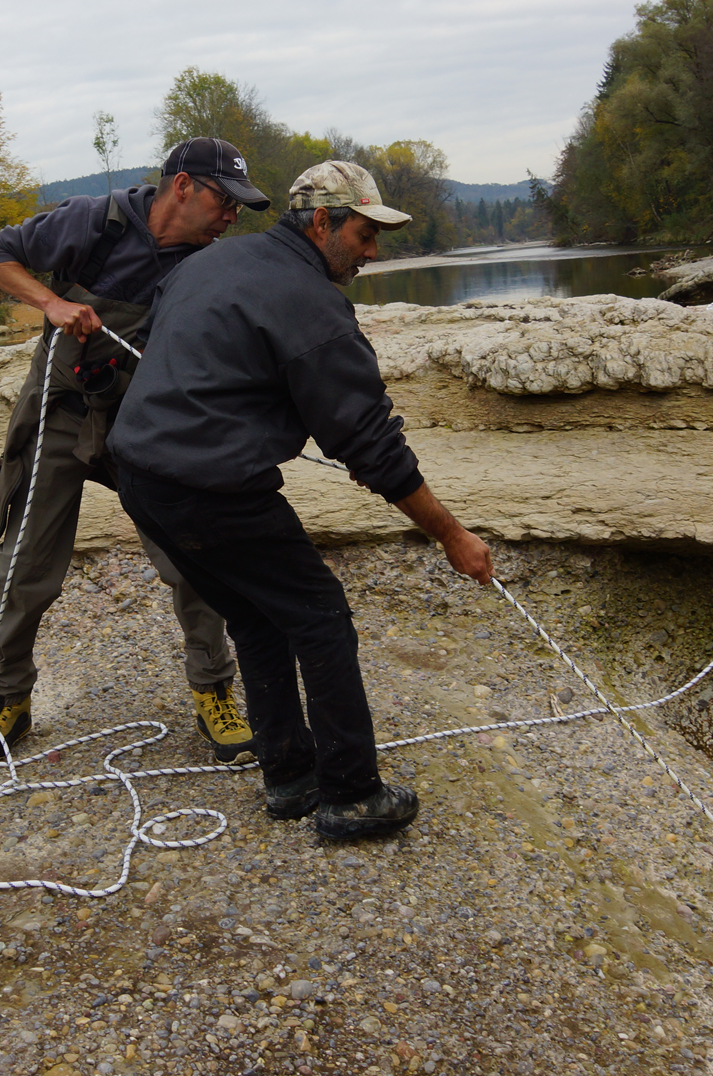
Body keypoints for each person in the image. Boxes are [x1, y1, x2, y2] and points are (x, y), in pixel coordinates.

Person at [108, 160, 494, 841]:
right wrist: (453, 536)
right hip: (209, 485)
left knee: (257, 618)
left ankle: (289, 778)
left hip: (140, 476)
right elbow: (372, 443)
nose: (372, 253)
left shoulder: (208, 263)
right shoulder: (312, 304)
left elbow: (170, 353)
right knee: (320, 619)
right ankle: (351, 794)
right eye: (364, 236)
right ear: (321, 222)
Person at [0, 137, 273, 764]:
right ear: (182, 186)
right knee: (22, 566)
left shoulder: (208, 262)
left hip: (146, 422)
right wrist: (52, 303)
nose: (231, 216)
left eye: (238, 207)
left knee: (193, 556)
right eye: (225, 201)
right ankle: (9, 698)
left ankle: (213, 691)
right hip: (60, 412)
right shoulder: (93, 222)